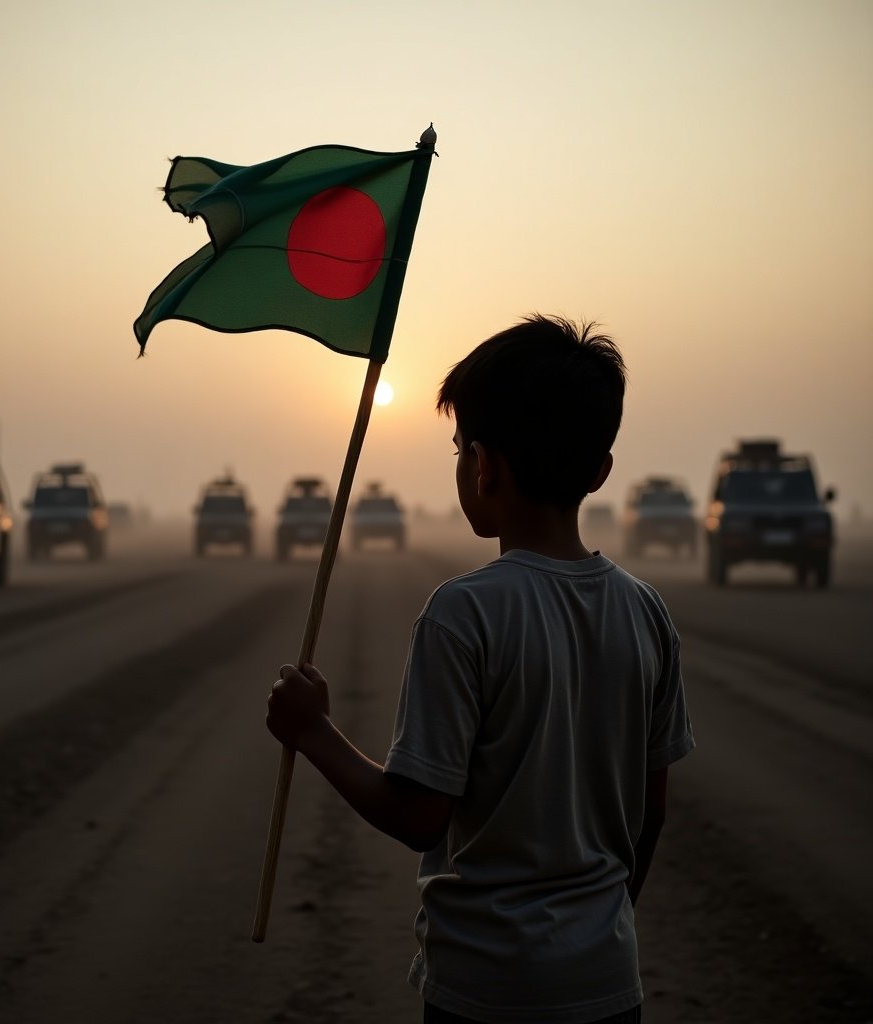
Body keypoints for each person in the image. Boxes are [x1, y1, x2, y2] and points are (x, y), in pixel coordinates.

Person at [266, 314, 694, 1024]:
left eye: (460, 445)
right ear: (599, 471)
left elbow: (418, 814)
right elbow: (652, 810)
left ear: (484, 466)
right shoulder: (646, 611)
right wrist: (601, 927)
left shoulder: (463, 614)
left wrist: (312, 733)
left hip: (484, 991)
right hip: (609, 981)